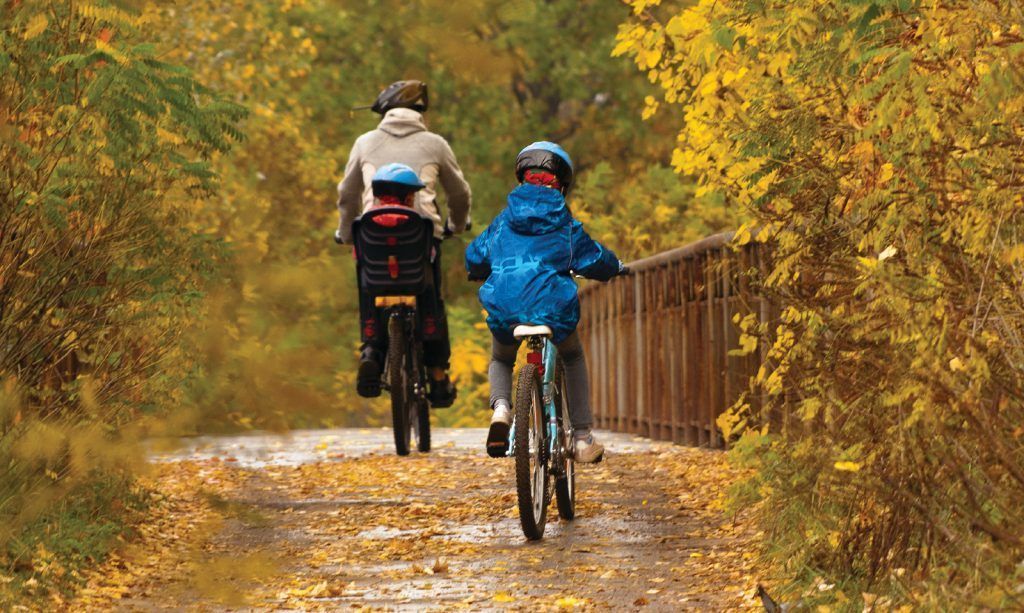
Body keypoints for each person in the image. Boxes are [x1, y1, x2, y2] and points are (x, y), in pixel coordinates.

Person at [465, 141, 625, 463]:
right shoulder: (565, 225)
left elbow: (475, 255)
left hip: (506, 308)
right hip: (552, 310)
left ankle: (500, 409)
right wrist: (615, 267)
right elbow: (593, 257)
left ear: (521, 178)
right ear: (561, 185)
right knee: (573, 356)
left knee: (501, 357)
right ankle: (581, 438)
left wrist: (479, 270)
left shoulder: (502, 221)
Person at [336, 80, 472, 407]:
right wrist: (455, 224)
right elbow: (459, 193)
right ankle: (438, 376)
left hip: (373, 234)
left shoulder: (364, 142)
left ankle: (370, 349)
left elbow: (347, 194)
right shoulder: (435, 143)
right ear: (418, 112)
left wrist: (347, 231)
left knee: (370, 286)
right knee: (430, 298)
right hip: (422, 235)